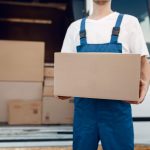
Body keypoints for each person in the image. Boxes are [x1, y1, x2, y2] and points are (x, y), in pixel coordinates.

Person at [58, 0, 150, 150]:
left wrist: (144, 89)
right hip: (85, 114)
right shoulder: (75, 28)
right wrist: (62, 89)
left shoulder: (129, 22)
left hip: (118, 112)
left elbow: (143, 60)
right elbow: (65, 68)